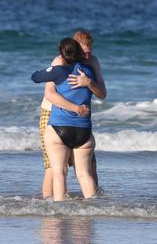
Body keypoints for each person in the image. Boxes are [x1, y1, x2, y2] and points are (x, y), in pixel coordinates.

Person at [37, 30, 106, 198]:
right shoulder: (60, 61)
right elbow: (50, 94)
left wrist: (89, 82)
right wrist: (76, 108)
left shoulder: (93, 62)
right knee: (53, 169)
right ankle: (48, 202)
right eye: (84, 52)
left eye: (90, 52)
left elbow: (102, 93)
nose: (87, 56)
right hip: (52, 113)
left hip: (78, 121)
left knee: (90, 165)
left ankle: (94, 203)